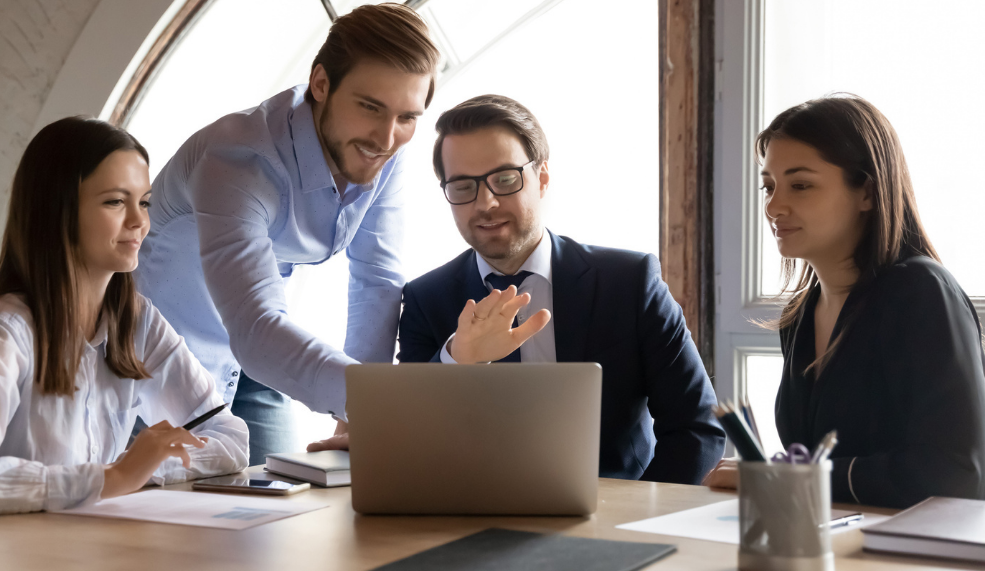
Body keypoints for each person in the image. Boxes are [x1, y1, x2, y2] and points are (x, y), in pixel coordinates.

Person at [312, 95, 725, 485]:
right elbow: (419, 433)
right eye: (462, 187)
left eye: (505, 179)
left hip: (618, 513)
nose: (485, 203)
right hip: (476, 524)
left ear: (541, 177)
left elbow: (697, 428)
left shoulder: (630, 281)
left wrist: (635, 522)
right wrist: (456, 360)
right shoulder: (425, 299)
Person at [0, 117, 248, 525]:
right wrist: (111, 477)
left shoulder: (137, 322)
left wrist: (143, 469)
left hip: (58, 549)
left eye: (143, 202)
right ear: (58, 211)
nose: (140, 222)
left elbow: (230, 439)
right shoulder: (4, 330)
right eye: (114, 202)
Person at [135, 4, 441, 465]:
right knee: (157, 525)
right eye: (369, 107)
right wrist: (374, 403)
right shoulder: (236, 160)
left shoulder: (385, 150)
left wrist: (358, 411)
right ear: (321, 84)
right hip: (155, 361)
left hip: (257, 357)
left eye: (407, 117)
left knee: (278, 515)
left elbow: (377, 280)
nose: (385, 136)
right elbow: (255, 326)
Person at [702, 95, 985, 509]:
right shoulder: (799, 315)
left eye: (801, 185)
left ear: (867, 192)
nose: (774, 206)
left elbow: (955, 473)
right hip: (824, 543)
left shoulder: (920, 293)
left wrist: (785, 477)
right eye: (769, 186)